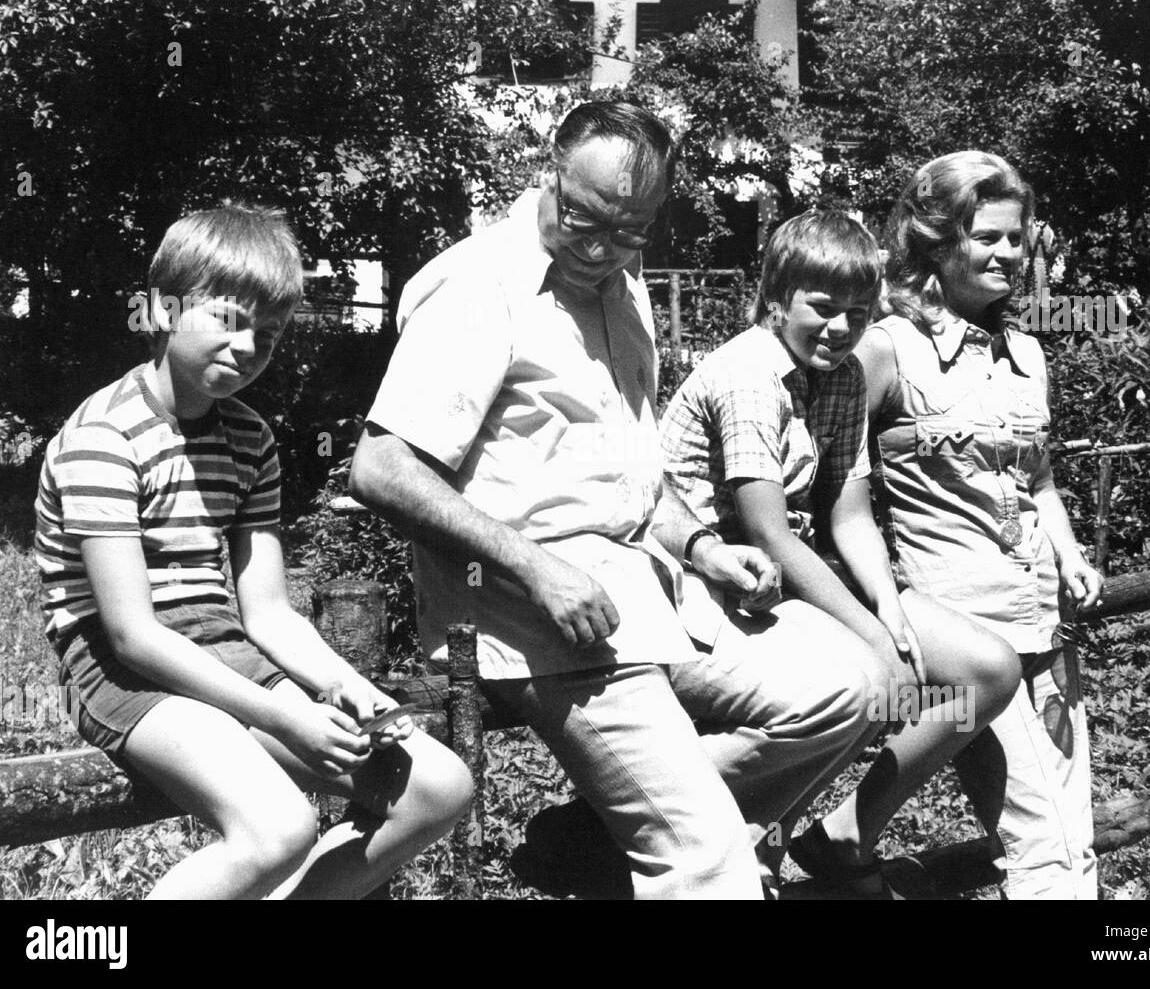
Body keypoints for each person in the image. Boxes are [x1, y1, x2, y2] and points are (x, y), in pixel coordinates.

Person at [349, 101, 886, 899]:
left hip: (650, 592)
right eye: (583, 217)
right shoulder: (477, 285)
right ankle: (687, 855)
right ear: (551, 166)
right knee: (710, 865)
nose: (600, 247)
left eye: (629, 230)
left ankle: (601, 842)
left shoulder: (624, 291)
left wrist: (703, 548)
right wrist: (537, 569)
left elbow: (634, 481)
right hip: (533, 619)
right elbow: (382, 468)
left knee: (854, 686)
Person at [34, 203, 473, 899]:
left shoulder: (249, 438)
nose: (246, 347)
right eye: (228, 320)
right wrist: (283, 715)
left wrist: (350, 691)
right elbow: (132, 633)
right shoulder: (103, 437)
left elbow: (266, 612)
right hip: (120, 671)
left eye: (266, 336)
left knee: (439, 787)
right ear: (160, 310)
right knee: (278, 828)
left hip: (225, 652)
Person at [660, 210, 1020, 897]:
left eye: (858, 313)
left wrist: (887, 609)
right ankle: (723, 833)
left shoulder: (844, 375)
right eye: (822, 309)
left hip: (787, 576)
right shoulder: (748, 374)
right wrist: (872, 640)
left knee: (983, 672)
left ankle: (848, 829)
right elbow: (767, 530)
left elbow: (849, 509)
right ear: (775, 299)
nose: (840, 328)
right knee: (870, 676)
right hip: (708, 580)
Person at [853, 152, 1105, 898]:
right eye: (985, 237)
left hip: (1045, 618)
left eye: (1016, 238)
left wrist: (1069, 552)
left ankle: (841, 835)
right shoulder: (885, 350)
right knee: (1038, 842)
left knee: (1074, 828)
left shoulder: (1025, 352)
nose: (1006, 254)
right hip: (967, 631)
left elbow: (1040, 476)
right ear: (936, 242)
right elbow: (827, 480)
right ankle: (843, 833)